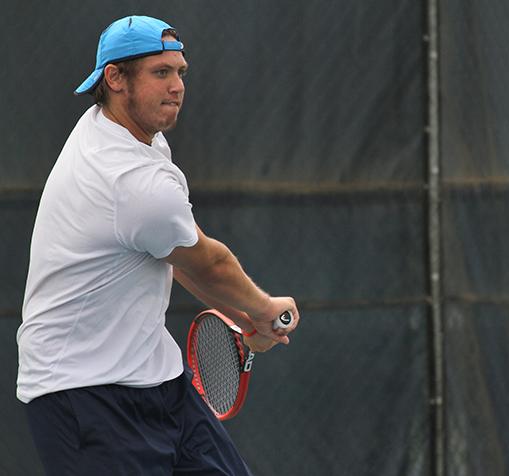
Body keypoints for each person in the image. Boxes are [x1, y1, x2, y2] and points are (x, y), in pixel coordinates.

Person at [16, 15, 299, 476]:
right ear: (115, 78)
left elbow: (173, 252)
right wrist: (265, 309)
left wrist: (246, 317)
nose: (177, 86)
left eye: (180, 72)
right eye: (160, 73)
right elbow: (209, 263)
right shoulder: (129, 178)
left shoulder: (129, 136)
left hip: (159, 381)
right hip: (81, 394)